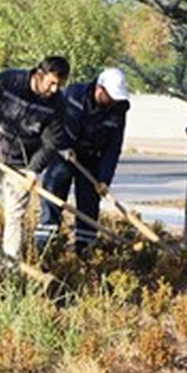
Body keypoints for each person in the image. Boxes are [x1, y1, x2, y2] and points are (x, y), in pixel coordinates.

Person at [0, 55, 69, 259]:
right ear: (39, 74)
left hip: (21, 165)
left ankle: (10, 268)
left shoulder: (57, 105)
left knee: (15, 216)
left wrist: (33, 169)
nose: (55, 89)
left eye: (60, 84)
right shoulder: (8, 82)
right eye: (52, 83)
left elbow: (51, 143)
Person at [34, 67, 131, 256]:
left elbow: (113, 147)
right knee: (52, 192)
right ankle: (45, 248)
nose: (112, 102)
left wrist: (104, 179)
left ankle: (84, 251)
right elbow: (55, 124)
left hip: (91, 156)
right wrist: (63, 146)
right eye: (110, 96)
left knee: (89, 204)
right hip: (64, 153)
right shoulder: (74, 95)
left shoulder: (118, 108)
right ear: (99, 89)